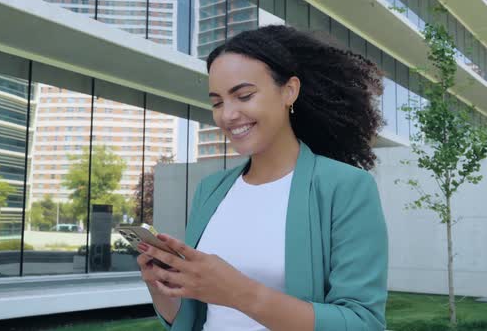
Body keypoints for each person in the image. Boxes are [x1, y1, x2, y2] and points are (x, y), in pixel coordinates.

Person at [136, 25, 388, 331]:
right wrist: (160, 283)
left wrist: (238, 292)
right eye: (217, 102)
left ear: (289, 91)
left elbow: (362, 323)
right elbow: (192, 319)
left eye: (243, 95)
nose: (227, 115)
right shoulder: (210, 191)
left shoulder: (345, 187)